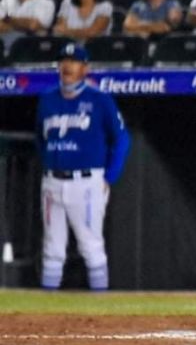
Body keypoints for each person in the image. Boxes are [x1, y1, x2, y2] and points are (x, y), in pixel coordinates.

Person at [36, 43, 131, 290]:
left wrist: (109, 176)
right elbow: (40, 138)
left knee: (91, 247)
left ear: (85, 67)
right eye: (64, 60)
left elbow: (121, 138)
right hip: (52, 181)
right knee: (52, 249)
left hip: (86, 181)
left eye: (74, 61)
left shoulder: (99, 100)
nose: (67, 65)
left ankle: (99, 314)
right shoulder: (47, 99)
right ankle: (44, 313)